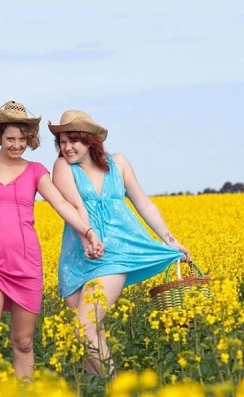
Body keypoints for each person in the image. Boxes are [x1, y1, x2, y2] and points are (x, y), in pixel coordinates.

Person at [0, 101, 104, 379]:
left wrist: (87, 231)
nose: (16, 145)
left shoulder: (36, 171)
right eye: (10, 139)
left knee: (24, 342)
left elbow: (62, 205)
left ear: (30, 139)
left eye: (22, 140)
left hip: (27, 266)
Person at [48, 109, 191, 378]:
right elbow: (72, 207)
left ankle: (115, 388)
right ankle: (95, 389)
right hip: (79, 256)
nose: (67, 147)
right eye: (62, 142)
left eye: (73, 141)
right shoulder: (62, 168)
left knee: (84, 327)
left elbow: (143, 203)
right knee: (89, 335)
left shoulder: (120, 163)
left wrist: (171, 241)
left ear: (90, 140)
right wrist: (88, 240)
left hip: (116, 253)